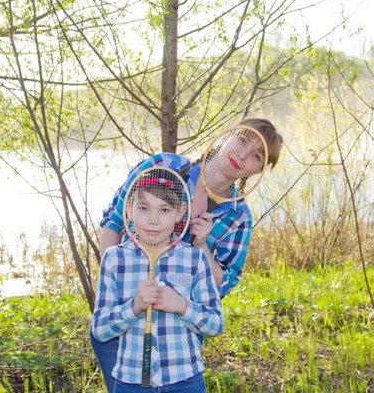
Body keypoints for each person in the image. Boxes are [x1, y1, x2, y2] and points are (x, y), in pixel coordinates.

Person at [92, 118, 283, 392]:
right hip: (124, 321)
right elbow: (114, 223)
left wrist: (202, 244)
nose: (242, 156)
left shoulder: (238, 216)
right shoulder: (164, 166)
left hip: (178, 335)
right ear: (226, 135)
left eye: (256, 156)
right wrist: (118, 295)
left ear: (258, 170)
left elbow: (222, 284)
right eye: (242, 141)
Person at [91, 169, 224, 392]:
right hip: (131, 382)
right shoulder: (114, 259)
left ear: (180, 213)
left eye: (164, 210)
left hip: (186, 380)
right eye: (144, 208)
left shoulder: (195, 258)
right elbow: (100, 330)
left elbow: (215, 324)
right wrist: (134, 307)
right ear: (130, 211)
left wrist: (182, 306)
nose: (153, 220)